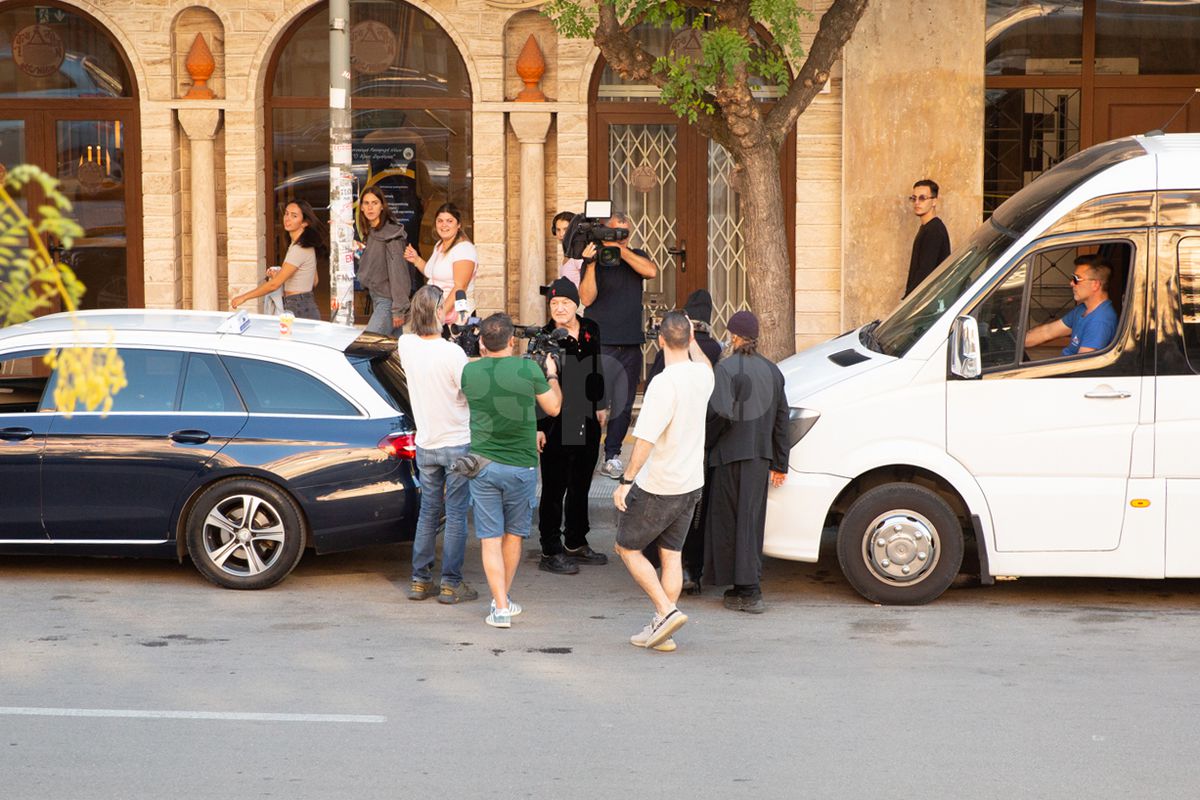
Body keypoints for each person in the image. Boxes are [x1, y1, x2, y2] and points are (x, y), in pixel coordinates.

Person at [612, 311, 714, 653]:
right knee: (672, 556)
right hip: (691, 482)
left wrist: (626, 480)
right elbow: (705, 365)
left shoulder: (664, 383)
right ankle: (663, 630)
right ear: (689, 339)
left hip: (661, 484)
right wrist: (693, 341)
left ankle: (666, 611)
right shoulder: (702, 374)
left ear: (659, 342)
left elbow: (645, 440)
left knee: (626, 547)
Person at [461, 313, 562, 628]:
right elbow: (554, 408)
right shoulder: (528, 368)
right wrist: (553, 376)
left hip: (483, 465)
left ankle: (501, 607)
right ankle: (501, 598)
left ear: (482, 342)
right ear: (511, 340)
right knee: (514, 536)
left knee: (489, 538)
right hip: (521, 465)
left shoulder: (469, 371)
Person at [702, 311, 790, 614]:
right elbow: (782, 419)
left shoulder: (725, 369)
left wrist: (707, 443)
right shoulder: (773, 371)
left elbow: (720, 413)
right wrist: (780, 463)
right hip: (760, 458)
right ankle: (746, 587)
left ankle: (746, 590)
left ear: (735, 337)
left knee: (728, 522)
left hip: (729, 456)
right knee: (750, 523)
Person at [397, 285, 477, 605]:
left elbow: (419, 338)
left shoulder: (406, 344)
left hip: (426, 443)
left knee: (429, 512)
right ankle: (450, 584)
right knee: (456, 515)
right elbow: (469, 390)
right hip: (457, 441)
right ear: (438, 313)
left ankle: (420, 580)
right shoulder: (453, 353)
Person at [643, 289, 722, 593]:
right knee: (695, 515)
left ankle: (655, 566)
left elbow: (652, 390)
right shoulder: (713, 350)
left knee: (660, 511)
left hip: (666, 445)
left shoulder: (668, 353)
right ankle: (691, 570)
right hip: (699, 444)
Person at [535, 278, 609, 575]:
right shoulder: (545, 336)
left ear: (576, 304)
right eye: (554, 304)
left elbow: (598, 365)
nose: (560, 308)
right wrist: (538, 426)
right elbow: (536, 383)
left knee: (581, 483)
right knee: (554, 487)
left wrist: (602, 404)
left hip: (587, 416)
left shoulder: (591, 329)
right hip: (556, 420)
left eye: (565, 302)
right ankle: (549, 549)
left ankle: (575, 541)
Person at [579, 211, 658, 480]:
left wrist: (621, 250)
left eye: (625, 233)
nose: (621, 237)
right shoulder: (596, 259)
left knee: (623, 405)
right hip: (600, 342)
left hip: (630, 343)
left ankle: (611, 455)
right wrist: (591, 264)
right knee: (594, 402)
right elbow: (586, 300)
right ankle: (586, 455)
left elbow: (651, 271)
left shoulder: (636, 256)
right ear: (605, 231)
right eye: (616, 232)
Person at [231, 199, 323, 319]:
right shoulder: (302, 245)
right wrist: (282, 275)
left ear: (304, 223)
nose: (287, 218)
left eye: (294, 216)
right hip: (302, 305)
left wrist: (243, 297)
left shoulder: (299, 249)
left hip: (299, 307)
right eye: (286, 213)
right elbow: (313, 280)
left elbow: (273, 285)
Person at [1024, 256, 1117, 356]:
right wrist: (1015, 343)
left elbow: (1082, 366)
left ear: (1095, 284)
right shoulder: (1082, 309)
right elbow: (1047, 332)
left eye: (1076, 279)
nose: (1071, 283)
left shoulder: (1100, 321)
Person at [405, 203, 478, 326]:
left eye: (449, 221)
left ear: (458, 224)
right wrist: (417, 260)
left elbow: (460, 287)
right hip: (435, 313)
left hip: (456, 318)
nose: (444, 225)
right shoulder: (439, 245)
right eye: (440, 221)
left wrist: (440, 315)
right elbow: (433, 274)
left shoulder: (464, 249)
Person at [356, 186, 411, 336]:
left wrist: (398, 310)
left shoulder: (390, 234)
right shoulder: (373, 232)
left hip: (388, 302)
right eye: (366, 203)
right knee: (392, 354)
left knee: (367, 347)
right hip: (377, 298)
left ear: (382, 206)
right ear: (361, 207)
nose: (370, 207)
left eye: (374, 203)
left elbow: (398, 272)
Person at [904, 179, 951, 296]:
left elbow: (925, 272)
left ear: (934, 201)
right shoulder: (928, 228)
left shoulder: (934, 231)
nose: (917, 203)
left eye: (922, 198)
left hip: (926, 300)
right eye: (914, 198)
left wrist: (910, 301)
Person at [551, 210, 595, 288]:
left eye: (566, 229)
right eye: (558, 230)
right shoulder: (568, 253)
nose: (562, 234)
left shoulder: (579, 253)